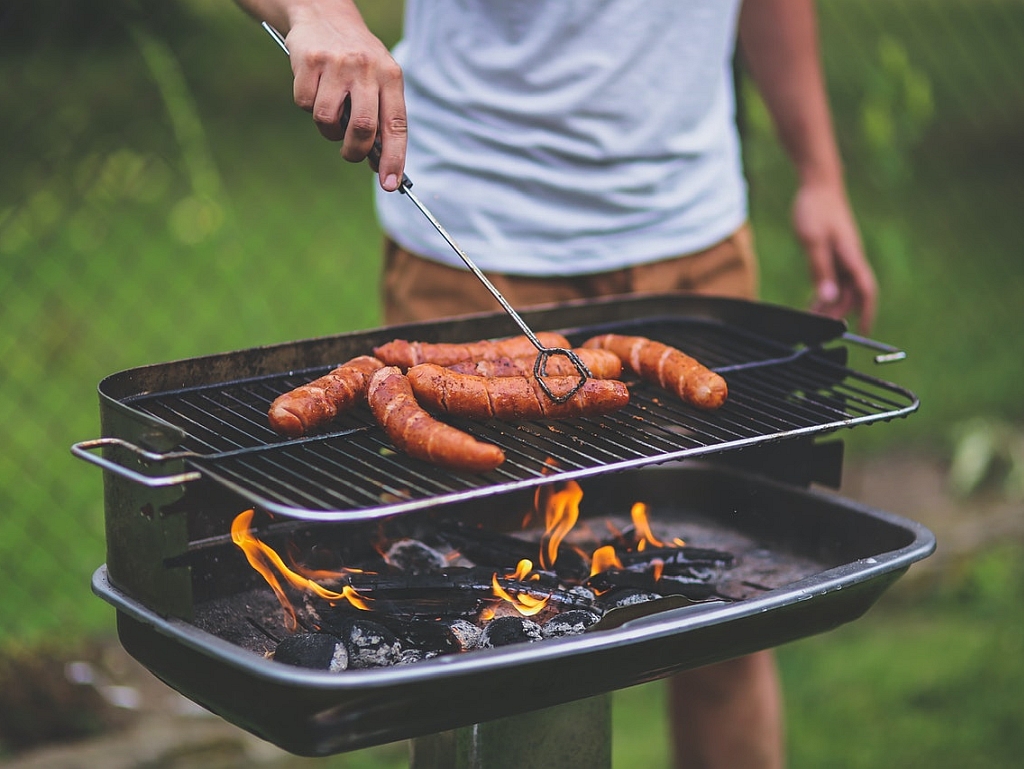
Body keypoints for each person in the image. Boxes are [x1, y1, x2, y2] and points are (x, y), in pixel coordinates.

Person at [234, 2, 878, 766]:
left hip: (693, 239)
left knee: (726, 623)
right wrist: (317, 13)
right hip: (474, 237)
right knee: (478, 641)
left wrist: (820, 173)